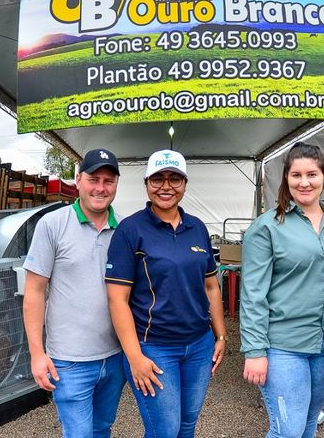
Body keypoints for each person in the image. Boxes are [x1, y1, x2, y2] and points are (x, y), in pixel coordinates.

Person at [105, 149, 227, 438]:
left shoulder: (197, 227)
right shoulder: (131, 230)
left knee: (187, 425)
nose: (166, 186)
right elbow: (117, 299)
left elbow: (211, 286)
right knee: (165, 430)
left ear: (184, 183)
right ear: (147, 183)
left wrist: (221, 335)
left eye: (175, 179)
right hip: (155, 348)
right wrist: (134, 356)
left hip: (199, 346)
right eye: (158, 179)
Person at [239, 142, 324, 438]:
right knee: (287, 430)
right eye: (296, 175)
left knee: (307, 424)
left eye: (312, 174)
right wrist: (254, 350)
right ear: (286, 178)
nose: (304, 182)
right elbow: (253, 294)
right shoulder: (267, 227)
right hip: (283, 346)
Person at [22, 148, 125, 438]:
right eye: (93, 179)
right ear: (78, 180)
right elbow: (34, 291)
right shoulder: (52, 225)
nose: (100, 188)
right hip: (69, 361)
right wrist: (37, 353)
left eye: (108, 181)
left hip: (115, 356)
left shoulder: (125, 229)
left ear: (116, 185)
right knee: (79, 434)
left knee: (102, 429)